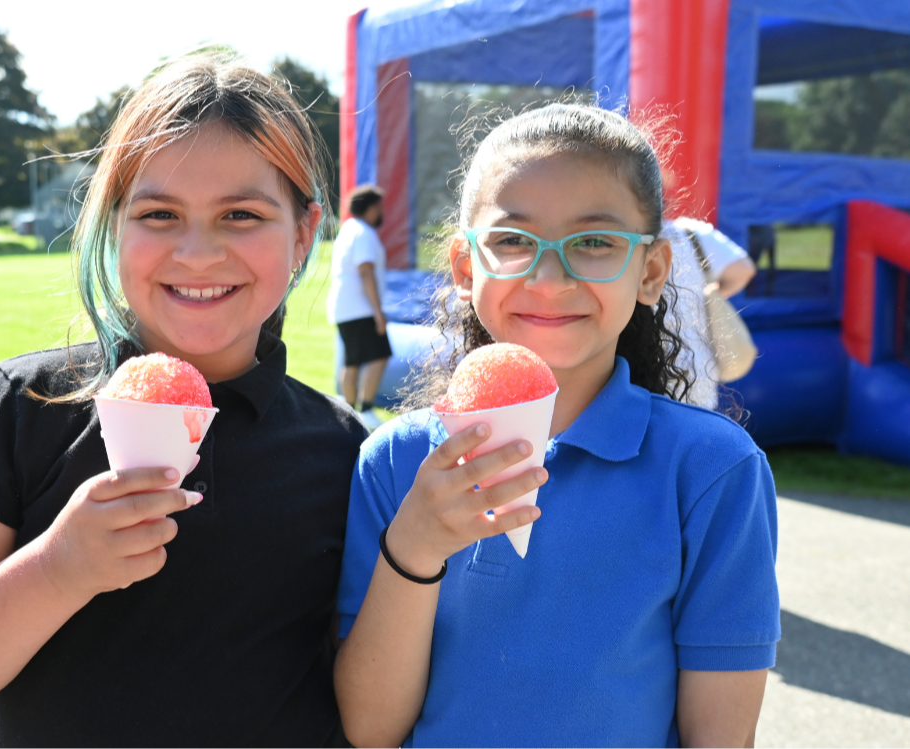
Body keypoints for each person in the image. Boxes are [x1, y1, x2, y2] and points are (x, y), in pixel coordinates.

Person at [0, 54, 366, 749]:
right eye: (160, 213)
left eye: (241, 214)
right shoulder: (22, 408)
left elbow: (371, 694)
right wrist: (57, 568)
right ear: (114, 225)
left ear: (302, 232)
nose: (198, 252)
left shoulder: (343, 450)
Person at [333, 104, 780, 748]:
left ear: (652, 271)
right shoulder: (395, 461)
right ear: (465, 268)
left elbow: (722, 736)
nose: (550, 278)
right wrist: (418, 547)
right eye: (513, 241)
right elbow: (372, 729)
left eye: (594, 242)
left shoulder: (713, 470)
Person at [664, 215, 758, 408]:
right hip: (698, 388)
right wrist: (707, 295)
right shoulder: (691, 233)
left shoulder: (621, 238)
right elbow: (744, 269)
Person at [327, 185, 393, 429]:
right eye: (379, 207)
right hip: (360, 308)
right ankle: (364, 409)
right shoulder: (364, 232)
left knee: (352, 361)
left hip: (344, 308)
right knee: (380, 355)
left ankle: (349, 412)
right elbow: (366, 271)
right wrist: (378, 311)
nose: (381, 212)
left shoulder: (348, 229)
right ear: (371, 207)